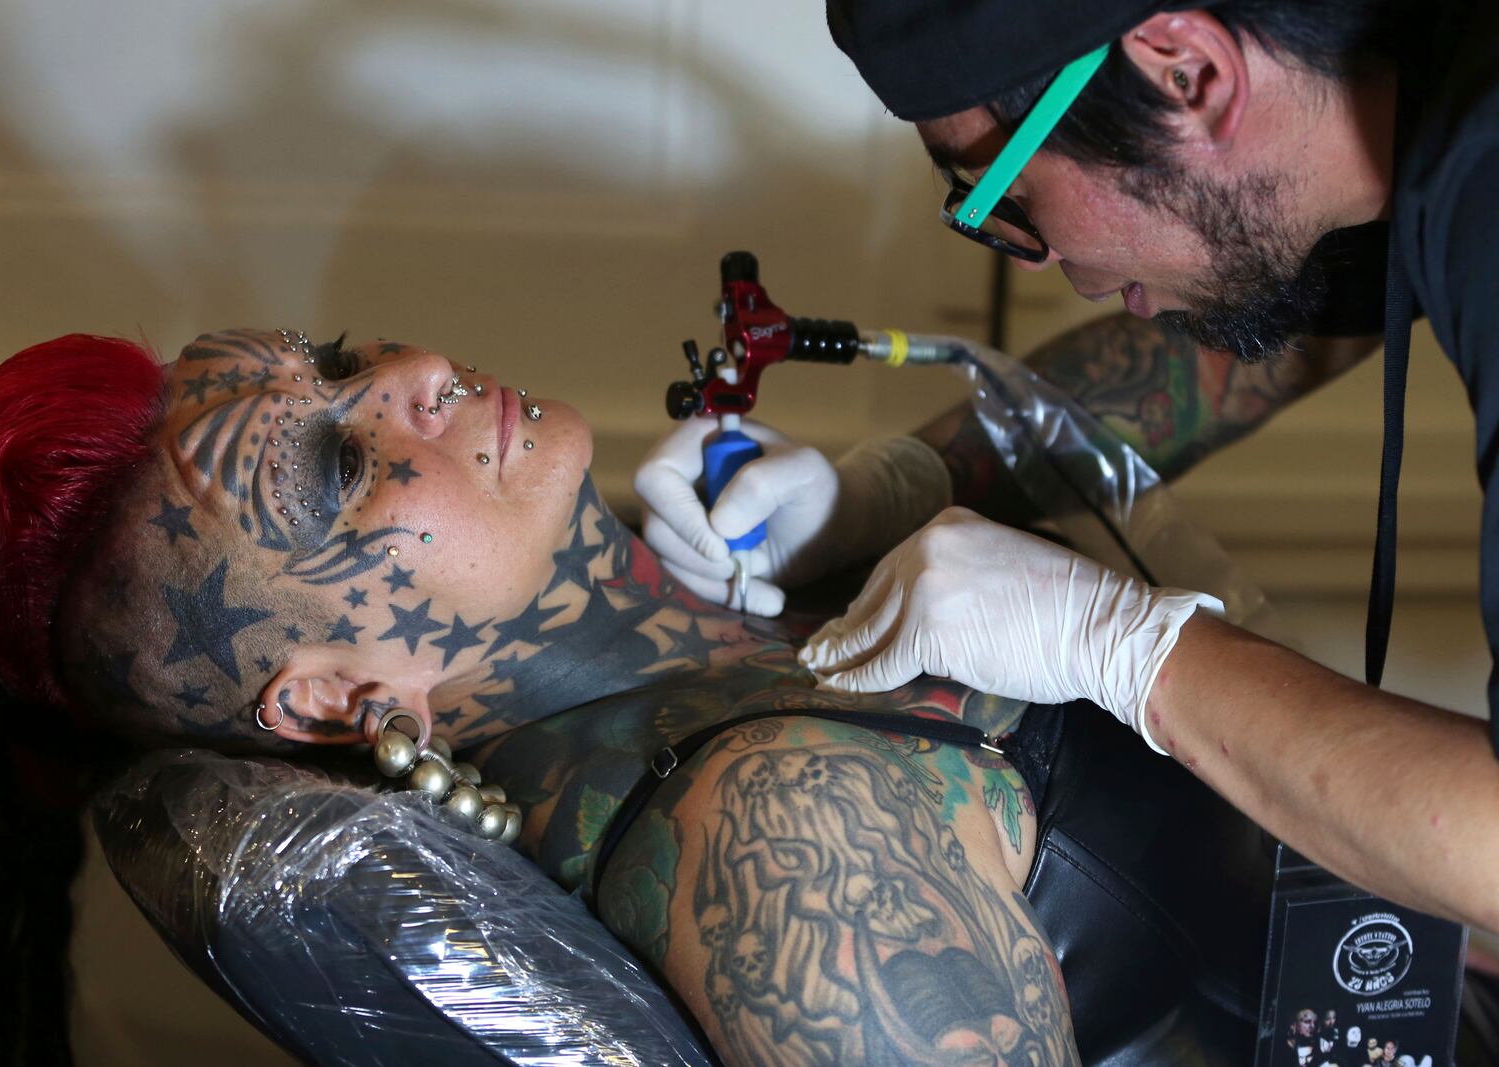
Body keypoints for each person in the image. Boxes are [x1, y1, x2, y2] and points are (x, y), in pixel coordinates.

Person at [0, 329, 1102, 1066]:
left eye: (333, 355)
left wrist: (899, 487)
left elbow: (1220, 351)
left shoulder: (711, 618)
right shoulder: (778, 827)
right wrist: (1151, 660)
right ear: (344, 695)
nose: (410, 372)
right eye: (333, 464)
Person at [636, 0, 1499, 931]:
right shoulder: (1393, 102)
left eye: (1002, 198)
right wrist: (899, 484)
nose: (1041, 260)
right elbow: (1236, 349)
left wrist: (1130, 650)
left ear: (1187, 74)